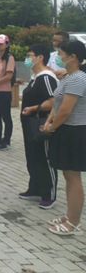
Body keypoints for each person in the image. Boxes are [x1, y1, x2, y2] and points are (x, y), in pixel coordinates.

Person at [41, 40, 86, 236]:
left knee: (73, 177)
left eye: (60, 53)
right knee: (68, 176)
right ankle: (70, 215)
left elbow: (66, 110)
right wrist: (49, 122)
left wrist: (52, 126)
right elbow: (57, 105)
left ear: (72, 56)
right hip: (64, 129)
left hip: (74, 131)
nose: (58, 56)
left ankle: (74, 223)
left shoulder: (78, 79)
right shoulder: (69, 76)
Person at [19, 44, 58, 209]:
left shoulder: (46, 77)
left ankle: (49, 194)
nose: (27, 59)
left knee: (44, 158)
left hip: (41, 123)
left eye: (30, 55)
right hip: (29, 123)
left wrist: (34, 108)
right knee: (33, 157)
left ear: (40, 57)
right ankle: (35, 188)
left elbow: (53, 101)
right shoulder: (35, 77)